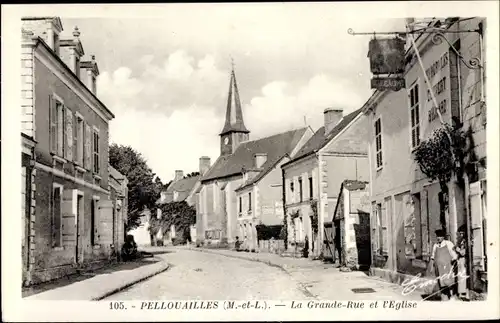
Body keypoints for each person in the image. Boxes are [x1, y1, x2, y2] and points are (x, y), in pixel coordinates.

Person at [430, 229, 458, 301]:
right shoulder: (435, 245)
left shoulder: (448, 243)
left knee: (449, 281)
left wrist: (453, 260)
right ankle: (444, 297)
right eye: (437, 236)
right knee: (441, 282)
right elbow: (433, 256)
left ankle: (452, 296)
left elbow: (454, 254)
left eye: (440, 236)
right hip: (438, 268)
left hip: (447, 267)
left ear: (443, 237)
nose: (438, 238)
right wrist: (432, 266)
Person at [454, 225, 469, 300]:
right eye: (460, 233)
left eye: (462, 233)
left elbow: (463, 252)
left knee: (462, 275)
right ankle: (460, 292)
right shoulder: (462, 240)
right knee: (460, 275)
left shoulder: (466, 241)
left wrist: (458, 250)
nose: (461, 235)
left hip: (463, 260)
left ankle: (463, 292)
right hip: (460, 260)